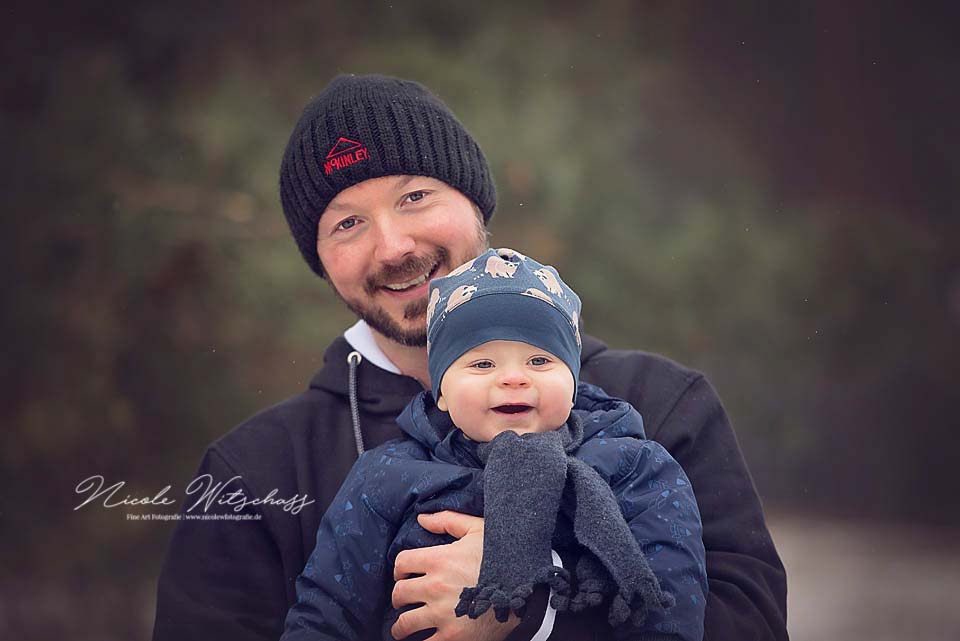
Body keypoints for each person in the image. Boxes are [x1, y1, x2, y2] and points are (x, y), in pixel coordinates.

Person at [153, 73, 788, 641]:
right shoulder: (255, 474)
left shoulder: (658, 406)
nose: (393, 246)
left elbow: (751, 624)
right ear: (319, 261)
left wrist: (539, 615)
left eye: (414, 197)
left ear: (475, 202)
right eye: (347, 223)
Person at [282, 248, 707, 641]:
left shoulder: (633, 465)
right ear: (441, 394)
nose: (513, 378)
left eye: (539, 360)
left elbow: (671, 602)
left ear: (574, 384)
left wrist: (541, 601)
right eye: (482, 363)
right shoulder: (389, 474)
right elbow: (328, 609)